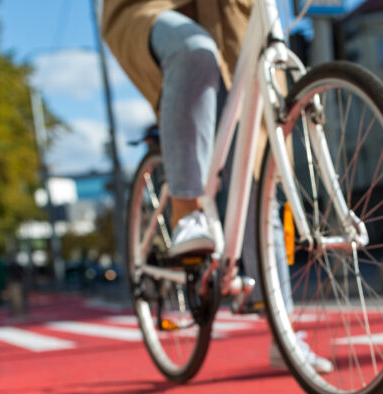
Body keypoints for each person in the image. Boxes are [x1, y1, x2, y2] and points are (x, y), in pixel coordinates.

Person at [101, 0, 332, 373]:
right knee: (194, 52)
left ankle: (282, 332)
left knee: (261, 170)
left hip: (238, 23)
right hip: (153, 7)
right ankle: (186, 212)